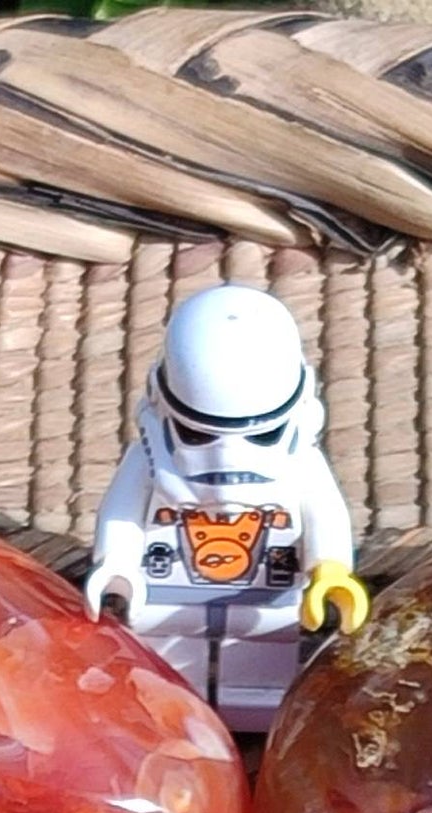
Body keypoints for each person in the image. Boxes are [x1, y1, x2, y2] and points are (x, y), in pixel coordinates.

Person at [83, 284, 369, 729]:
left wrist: (330, 572)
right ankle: (166, 722)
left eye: (260, 437)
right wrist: (116, 566)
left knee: (262, 676)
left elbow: (325, 517)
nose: (228, 462)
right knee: (165, 684)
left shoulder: (304, 467)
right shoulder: (146, 461)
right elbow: (121, 515)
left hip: (266, 603)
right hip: (164, 599)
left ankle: (259, 729)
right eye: (199, 436)